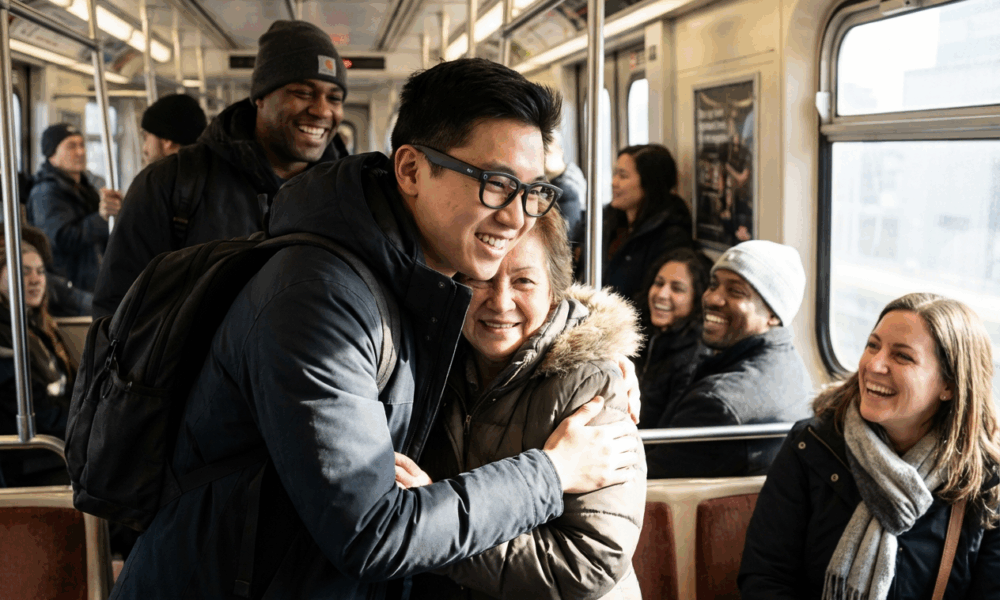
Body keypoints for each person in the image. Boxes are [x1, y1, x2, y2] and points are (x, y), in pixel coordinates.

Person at [110, 58, 641, 600]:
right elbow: (370, 533)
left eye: (532, 190)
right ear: (410, 170)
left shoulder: (423, 277)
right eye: (496, 183)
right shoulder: (320, 301)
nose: (517, 216)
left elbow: (518, 301)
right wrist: (552, 474)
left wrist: (581, 347)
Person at [399, 208, 645, 600]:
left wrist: (437, 531)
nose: (500, 302)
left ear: (555, 292)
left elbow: (587, 563)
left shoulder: (591, 383)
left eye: (524, 281)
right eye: (481, 278)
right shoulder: (433, 362)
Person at [739, 293, 1000, 600]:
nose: (874, 364)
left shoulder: (983, 482)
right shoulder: (813, 445)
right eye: (872, 345)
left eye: (902, 356)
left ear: (949, 385)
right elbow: (766, 577)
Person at [91, 20, 351, 319]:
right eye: (303, 92)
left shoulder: (348, 196)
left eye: (334, 98)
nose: (321, 110)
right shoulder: (170, 183)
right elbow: (117, 312)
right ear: (261, 97)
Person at [645, 239, 812, 478]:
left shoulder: (717, 403)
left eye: (735, 291)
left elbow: (647, 481)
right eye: (713, 285)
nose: (713, 299)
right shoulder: (793, 368)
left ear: (773, 314)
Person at [0, 241, 77, 487]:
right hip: (33, 457)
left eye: (41, 271)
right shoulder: (4, 338)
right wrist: (89, 426)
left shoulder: (39, 327)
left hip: (58, 444)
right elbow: (34, 411)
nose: (36, 279)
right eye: (24, 271)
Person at [26, 123, 120, 294]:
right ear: (51, 155)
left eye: (81, 145)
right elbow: (60, 239)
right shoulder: (45, 193)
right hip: (67, 287)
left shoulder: (86, 189)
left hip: (92, 280)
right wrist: (102, 218)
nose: (80, 152)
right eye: (71, 146)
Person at [637, 246, 713, 428]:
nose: (661, 294)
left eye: (677, 288)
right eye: (658, 283)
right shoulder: (647, 334)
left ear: (698, 298)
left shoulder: (694, 360)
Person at [140, 93, 208, 165]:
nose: (144, 148)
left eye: (145, 137)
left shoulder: (166, 175)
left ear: (166, 140)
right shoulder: (208, 169)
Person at [544, 131, 585, 233]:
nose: (544, 158)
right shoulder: (560, 177)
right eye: (541, 152)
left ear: (560, 151)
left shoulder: (567, 186)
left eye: (548, 152)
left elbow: (565, 234)